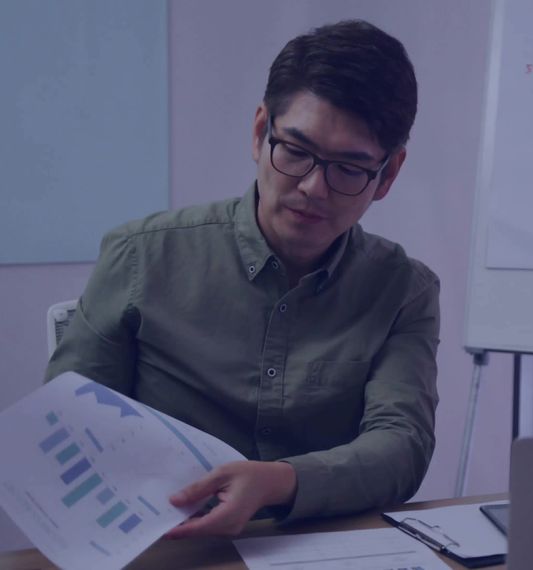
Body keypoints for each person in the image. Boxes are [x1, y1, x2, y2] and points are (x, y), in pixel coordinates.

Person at [45, 20, 439, 538]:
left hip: (320, 549)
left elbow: (401, 448)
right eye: (295, 150)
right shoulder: (141, 256)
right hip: (166, 545)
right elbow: (65, 433)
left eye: (349, 168)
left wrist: (280, 482)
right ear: (260, 132)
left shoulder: (404, 290)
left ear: (387, 176)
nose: (313, 188)